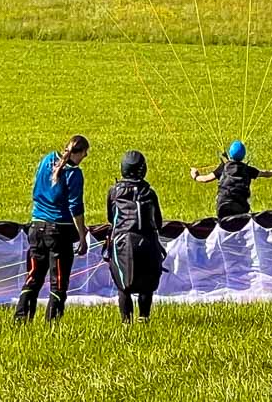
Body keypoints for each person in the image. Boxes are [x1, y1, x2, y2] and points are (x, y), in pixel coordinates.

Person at [13, 135, 90, 323]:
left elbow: (37, 184)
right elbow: (76, 208)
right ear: (79, 152)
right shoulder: (74, 173)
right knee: (59, 281)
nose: (85, 157)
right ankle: (52, 323)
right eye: (84, 153)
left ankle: (21, 318)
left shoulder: (48, 159)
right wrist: (82, 235)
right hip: (58, 231)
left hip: (36, 226)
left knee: (33, 276)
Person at [105, 150, 165, 324]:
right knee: (147, 285)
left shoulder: (114, 192)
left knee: (124, 286)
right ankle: (143, 318)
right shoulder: (149, 192)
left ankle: (126, 323)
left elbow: (111, 218)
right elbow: (158, 222)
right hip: (148, 242)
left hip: (123, 244)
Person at [190, 140, 272, 218]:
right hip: (241, 206)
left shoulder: (223, 168)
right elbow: (264, 173)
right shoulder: (248, 170)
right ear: (243, 155)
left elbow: (205, 179)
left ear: (230, 153)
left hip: (223, 205)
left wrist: (195, 176)